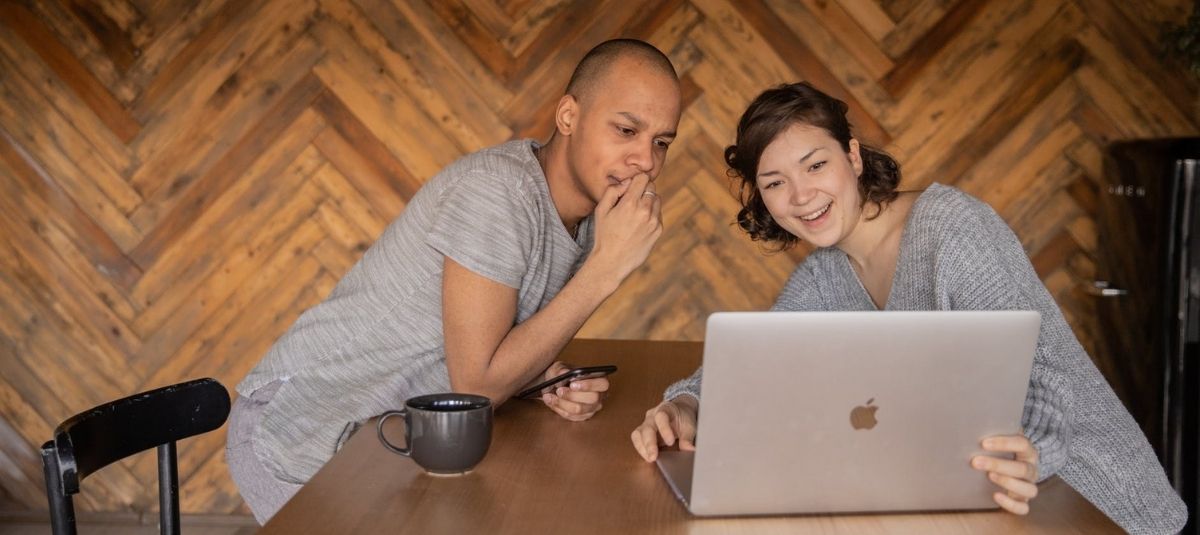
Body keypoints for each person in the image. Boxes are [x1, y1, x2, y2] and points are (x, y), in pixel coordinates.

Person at [629, 82, 1187, 534]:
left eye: (815, 165)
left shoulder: (953, 231)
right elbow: (752, 366)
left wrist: (1029, 453)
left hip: (1094, 499)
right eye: (775, 182)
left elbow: (1046, 377)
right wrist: (686, 404)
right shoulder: (825, 276)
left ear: (851, 155)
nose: (800, 196)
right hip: (986, 501)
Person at [227, 39, 682, 524]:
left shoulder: (590, 214)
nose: (647, 161)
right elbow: (478, 385)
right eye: (627, 129)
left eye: (661, 142)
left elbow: (484, 347)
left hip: (391, 439)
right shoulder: (496, 193)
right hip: (300, 432)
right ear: (568, 116)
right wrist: (605, 270)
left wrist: (539, 378)